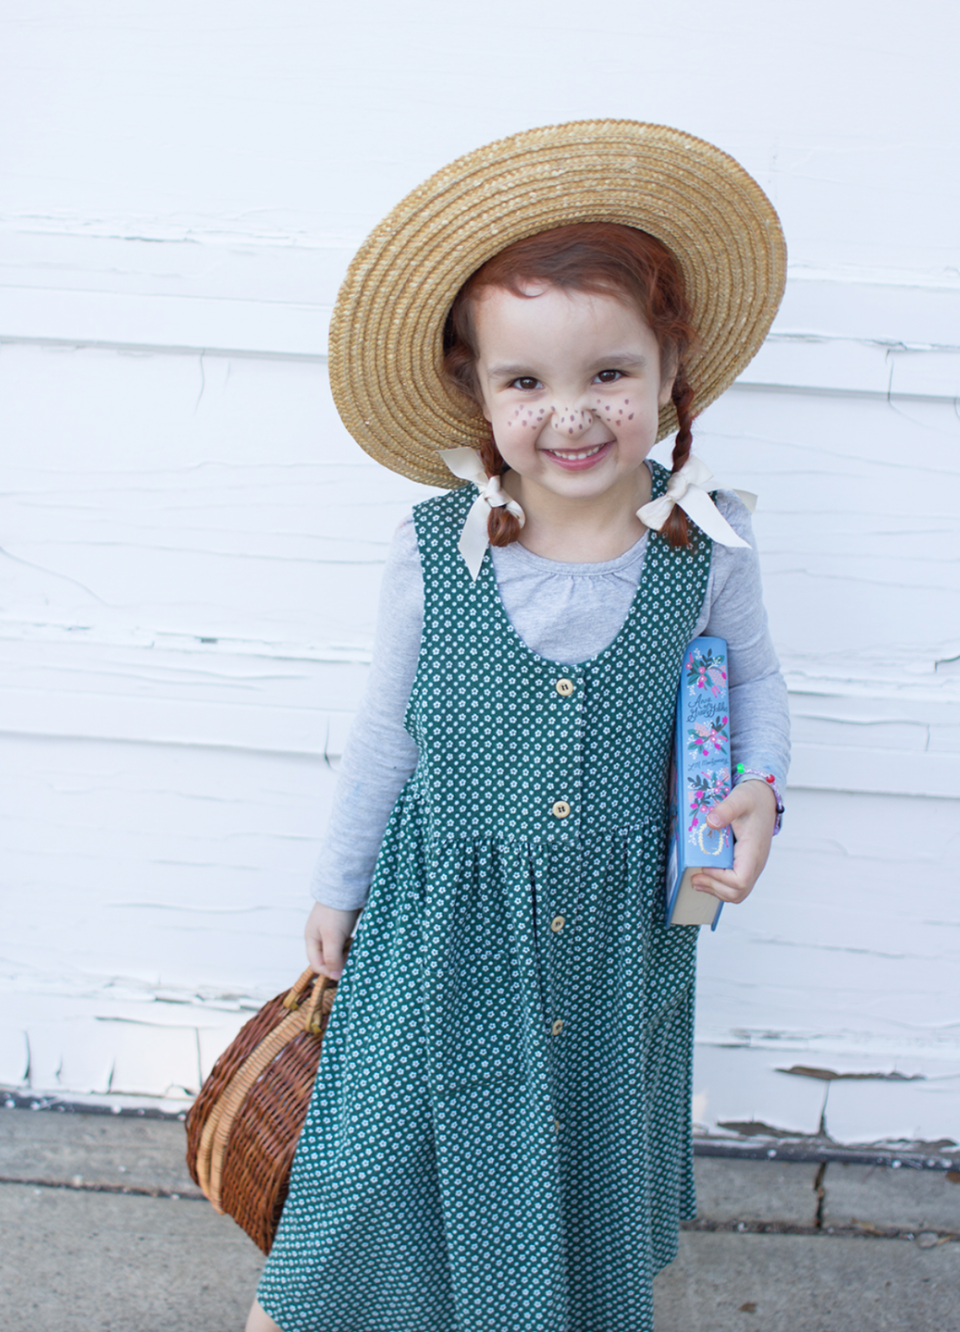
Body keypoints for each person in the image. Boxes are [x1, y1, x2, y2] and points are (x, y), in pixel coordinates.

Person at [246, 120, 790, 1332]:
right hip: (438, 923)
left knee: (575, 1178)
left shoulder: (707, 542)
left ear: (669, 377)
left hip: (612, 938)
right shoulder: (438, 552)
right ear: (477, 392)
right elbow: (387, 728)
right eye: (525, 382)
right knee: (366, 1176)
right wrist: (337, 886)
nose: (572, 415)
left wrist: (759, 787)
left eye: (609, 374)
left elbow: (753, 685)